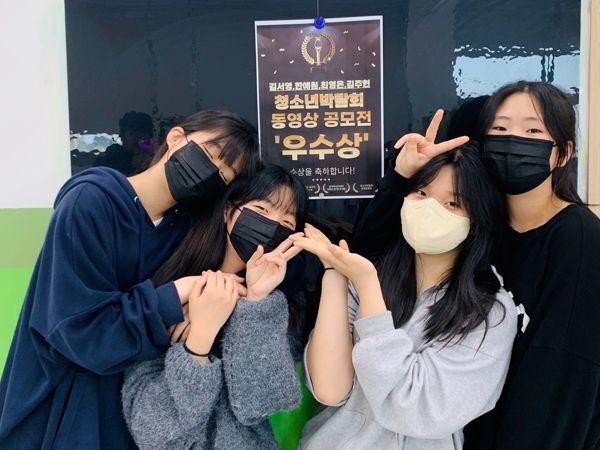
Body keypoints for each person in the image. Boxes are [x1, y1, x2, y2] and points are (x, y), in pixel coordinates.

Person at [352, 81, 600, 449]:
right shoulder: (479, 227)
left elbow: (564, 376)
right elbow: (366, 252)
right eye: (500, 128)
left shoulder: (579, 239)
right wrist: (402, 177)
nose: (514, 140)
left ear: (563, 153)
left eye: (533, 131)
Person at [0, 110, 261, 449]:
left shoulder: (183, 229)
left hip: (128, 413)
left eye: (227, 175)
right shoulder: (90, 202)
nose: (214, 173)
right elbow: (81, 332)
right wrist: (176, 296)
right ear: (176, 138)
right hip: (61, 408)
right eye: (211, 154)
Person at [292, 143, 517, 449]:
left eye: (452, 203)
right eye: (421, 193)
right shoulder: (369, 276)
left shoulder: (489, 311)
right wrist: (334, 274)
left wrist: (368, 287)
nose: (429, 209)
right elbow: (329, 389)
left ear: (476, 223)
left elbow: (415, 409)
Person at [121, 165, 308, 449]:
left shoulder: (283, 306)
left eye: (286, 223)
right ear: (228, 211)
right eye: (261, 209)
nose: (271, 226)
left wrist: (255, 301)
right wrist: (200, 341)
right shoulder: (168, 287)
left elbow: (261, 405)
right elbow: (153, 430)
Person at [94, 111, 156, 176]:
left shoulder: (156, 161)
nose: (136, 140)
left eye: (142, 136)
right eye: (131, 134)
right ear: (122, 136)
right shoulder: (108, 161)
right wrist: (136, 169)